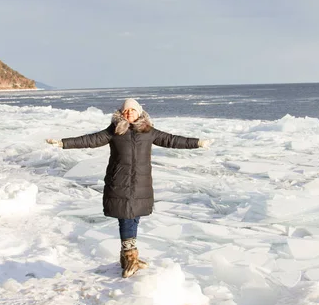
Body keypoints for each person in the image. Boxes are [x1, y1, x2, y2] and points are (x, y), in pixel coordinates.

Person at [46, 98, 211, 278]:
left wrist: (197, 143)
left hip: (141, 183)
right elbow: (91, 140)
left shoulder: (149, 132)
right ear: (121, 113)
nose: (129, 113)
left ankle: (128, 259)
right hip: (120, 182)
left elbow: (172, 140)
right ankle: (130, 258)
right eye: (126, 111)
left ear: (139, 112)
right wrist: (63, 143)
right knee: (126, 218)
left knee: (133, 218)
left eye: (132, 110)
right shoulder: (115, 131)